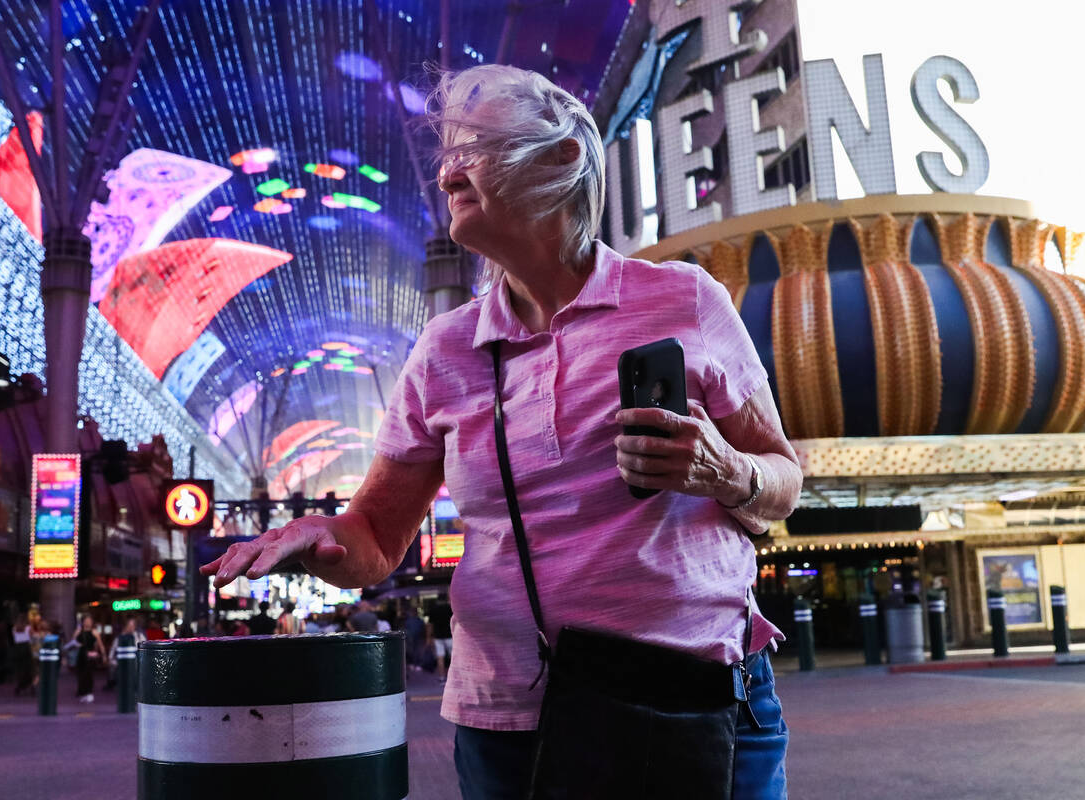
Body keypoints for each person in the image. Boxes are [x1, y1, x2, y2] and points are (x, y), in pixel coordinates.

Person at [201, 64, 801, 800]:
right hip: (510, 723)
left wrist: (727, 471)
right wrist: (318, 539)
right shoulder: (445, 350)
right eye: (448, 149)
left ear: (563, 157)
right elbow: (376, 540)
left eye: (476, 145)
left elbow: (783, 480)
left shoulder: (684, 301)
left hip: (694, 702)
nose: (449, 168)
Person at [72, 614, 106, 704]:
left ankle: (89, 693)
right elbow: (73, 641)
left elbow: (100, 644)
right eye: (86, 621)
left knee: (89, 674)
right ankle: (83, 693)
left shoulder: (94, 632)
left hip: (90, 655)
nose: (88, 622)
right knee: (80, 674)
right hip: (81, 655)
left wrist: (104, 655)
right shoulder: (79, 631)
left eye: (89, 621)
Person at [428, 597, 453, 682]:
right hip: (450, 636)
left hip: (438, 636)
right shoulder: (450, 608)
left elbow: (430, 625)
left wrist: (429, 637)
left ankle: (442, 678)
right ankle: (452, 677)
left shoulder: (433, 609)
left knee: (440, 657)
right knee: (452, 657)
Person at [11, 613, 33, 696]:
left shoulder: (14, 628)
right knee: (28, 668)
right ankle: (28, 684)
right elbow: (31, 637)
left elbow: (14, 638)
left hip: (17, 648)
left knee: (19, 668)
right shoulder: (28, 628)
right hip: (26, 647)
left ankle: (20, 684)